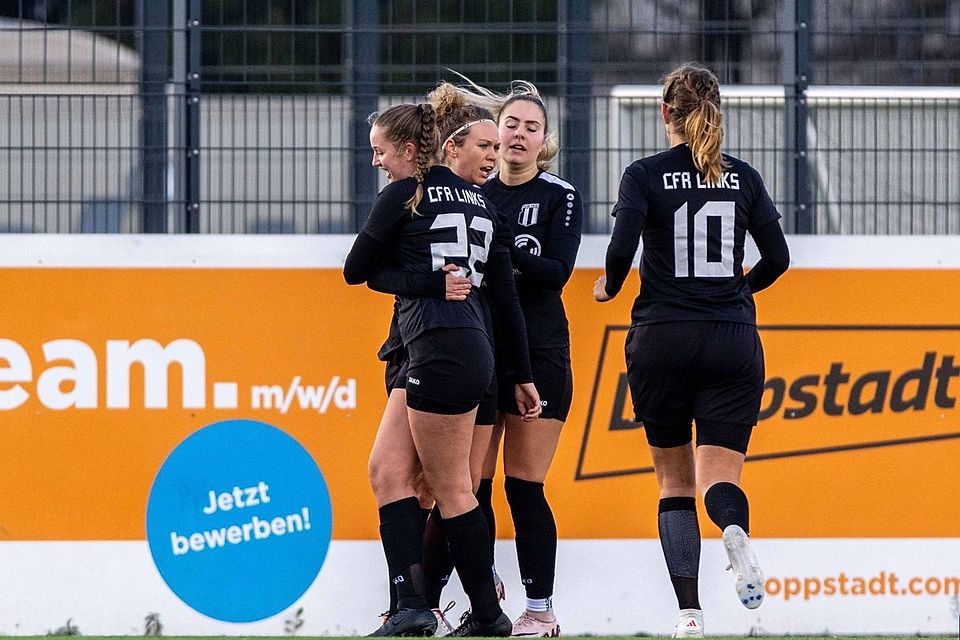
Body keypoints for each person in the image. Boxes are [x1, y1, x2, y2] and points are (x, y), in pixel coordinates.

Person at [593, 63, 789, 638]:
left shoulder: (644, 174)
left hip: (662, 336)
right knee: (719, 478)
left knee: (673, 483)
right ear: (717, 114)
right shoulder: (744, 177)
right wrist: (734, 292)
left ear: (665, 114)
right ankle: (733, 530)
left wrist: (608, 285)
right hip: (731, 337)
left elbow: (621, 251)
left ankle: (689, 614)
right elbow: (777, 260)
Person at [344, 95, 541, 637]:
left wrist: (427, 282)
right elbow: (505, 300)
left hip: (438, 347)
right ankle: (410, 605)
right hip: (469, 349)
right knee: (388, 472)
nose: (377, 162)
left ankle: (486, 613)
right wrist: (520, 375)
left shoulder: (406, 195)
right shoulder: (486, 205)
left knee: (452, 488)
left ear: (409, 148)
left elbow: (356, 270)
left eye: (381, 151)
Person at [439, 77, 581, 638]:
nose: (519, 137)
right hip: (480, 349)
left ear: (544, 140)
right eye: (511, 125)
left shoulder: (559, 195)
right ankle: (485, 596)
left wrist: (497, 260)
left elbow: (555, 273)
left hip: (539, 353)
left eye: (532, 128)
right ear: (493, 133)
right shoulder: (473, 193)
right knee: (472, 483)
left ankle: (541, 608)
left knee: (525, 484)